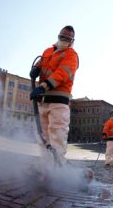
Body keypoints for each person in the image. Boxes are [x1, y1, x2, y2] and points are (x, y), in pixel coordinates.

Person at [30, 25, 79, 165]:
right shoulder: (47, 51)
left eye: (67, 38)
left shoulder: (71, 55)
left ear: (72, 41)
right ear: (58, 36)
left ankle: (59, 170)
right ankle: (46, 168)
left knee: (57, 135)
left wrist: (43, 86)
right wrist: (35, 69)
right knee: (43, 137)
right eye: (62, 37)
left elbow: (62, 74)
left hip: (59, 101)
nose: (64, 40)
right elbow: (40, 64)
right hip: (43, 100)